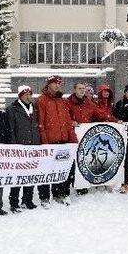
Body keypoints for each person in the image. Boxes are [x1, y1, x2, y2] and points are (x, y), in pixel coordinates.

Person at [37, 75, 77, 206]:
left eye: (59, 83)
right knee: (47, 170)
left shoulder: (62, 101)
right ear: (49, 84)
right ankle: (44, 197)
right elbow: (41, 122)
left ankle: (61, 193)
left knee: (63, 169)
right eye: (55, 83)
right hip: (50, 141)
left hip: (63, 140)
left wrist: (73, 140)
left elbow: (67, 122)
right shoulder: (42, 100)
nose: (57, 85)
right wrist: (45, 142)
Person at [7, 85, 41, 211]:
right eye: (25, 94)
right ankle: (14, 202)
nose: (28, 96)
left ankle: (28, 200)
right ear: (20, 95)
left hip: (33, 145)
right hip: (20, 146)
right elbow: (10, 128)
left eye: (29, 94)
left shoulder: (34, 108)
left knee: (30, 175)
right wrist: (13, 145)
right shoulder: (12, 108)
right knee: (18, 176)